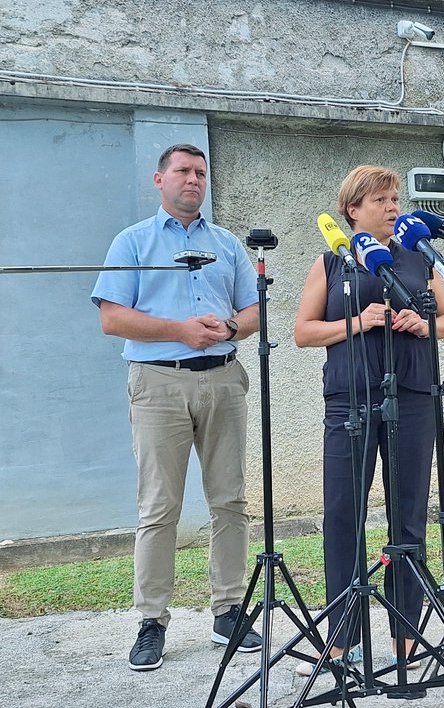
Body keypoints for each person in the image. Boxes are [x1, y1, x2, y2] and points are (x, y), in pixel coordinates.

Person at [92, 143, 261, 672]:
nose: (194, 180)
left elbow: (254, 307)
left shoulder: (227, 244)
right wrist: (179, 332)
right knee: (158, 507)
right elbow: (113, 318)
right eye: (183, 172)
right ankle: (151, 622)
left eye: (201, 173)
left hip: (224, 380)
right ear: (159, 180)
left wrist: (231, 327)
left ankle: (229, 611)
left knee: (230, 500)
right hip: (157, 383)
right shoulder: (133, 242)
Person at [294, 165, 444, 671]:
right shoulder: (330, 263)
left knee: (408, 514)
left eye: (394, 198)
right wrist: (357, 322)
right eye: (381, 199)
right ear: (353, 209)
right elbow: (303, 332)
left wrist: (425, 323)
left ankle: (406, 636)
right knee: (344, 515)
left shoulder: (417, 258)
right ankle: (342, 640)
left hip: (412, 397)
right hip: (350, 401)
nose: (393, 207)